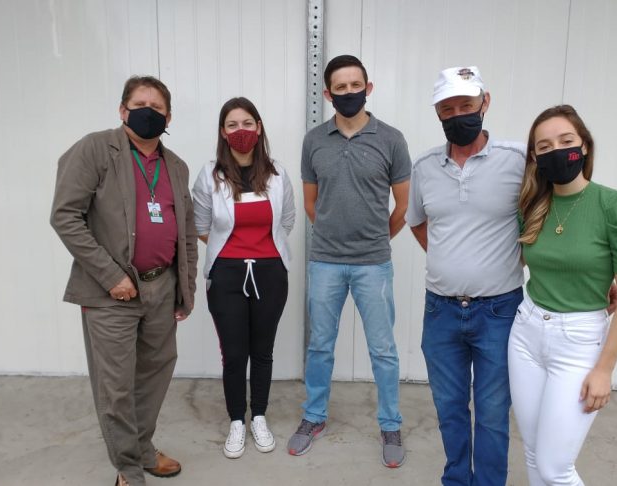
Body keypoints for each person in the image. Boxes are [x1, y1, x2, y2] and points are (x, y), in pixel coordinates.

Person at [50, 75, 198, 486]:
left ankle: (143, 447)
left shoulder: (176, 166)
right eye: (139, 104)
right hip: (110, 291)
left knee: (154, 374)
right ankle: (128, 469)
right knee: (115, 385)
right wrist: (111, 274)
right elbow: (65, 216)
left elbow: (186, 232)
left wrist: (185, 289)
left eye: (157, 107)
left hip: (162, 286)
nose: (148, 112)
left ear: (169, 117)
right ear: (122, 110)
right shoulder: (95, 149)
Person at [509, 104, 617, 485]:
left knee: (555, 467)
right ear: (535, 156)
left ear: (584, 146)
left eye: (566, 141)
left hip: (578, 343)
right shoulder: (532, 205)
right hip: (526, 333)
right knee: (534, 451)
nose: (556, 150)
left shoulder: (616, 206)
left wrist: (604, 369)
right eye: (544, 146)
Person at [287, 54, 412, 468]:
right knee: (320, 345)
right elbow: (311, 204)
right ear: (328, 94)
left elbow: (403, 206)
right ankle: (314, 416)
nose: (349, 92)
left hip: (373, 264)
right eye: (340, 87)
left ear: (368, 88)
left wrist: (373, 241)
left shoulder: (391, 139)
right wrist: (334, 237)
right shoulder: (314, 141)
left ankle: (390, 423)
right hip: (325, 262)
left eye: (355, 85)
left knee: (383, 349)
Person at [406, 66, 526, 486]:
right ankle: (457, 479)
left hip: (499, 311)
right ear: (438, 113)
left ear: (484, 102)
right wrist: (451, 257)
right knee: (450, 408)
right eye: (448, 109)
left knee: (492, 412)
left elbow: (546, 216)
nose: (458, 115)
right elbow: (417, 222)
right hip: (440, 311)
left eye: (466, 105)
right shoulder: (425, 166)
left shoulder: (518, 160)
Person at [191, 97, 295, 459]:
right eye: (232, 125)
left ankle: (259, 417)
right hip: (227, 275)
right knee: (234, 354)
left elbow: (287, 221)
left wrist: (262, 250)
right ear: (223, 132)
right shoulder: (211, 174)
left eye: (248, 123)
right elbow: (201, 225)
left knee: (262, 351)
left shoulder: (278, 174)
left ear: (259, 127)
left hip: (270, 273)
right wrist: (232, 252)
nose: (241, 131)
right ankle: (237, 420)